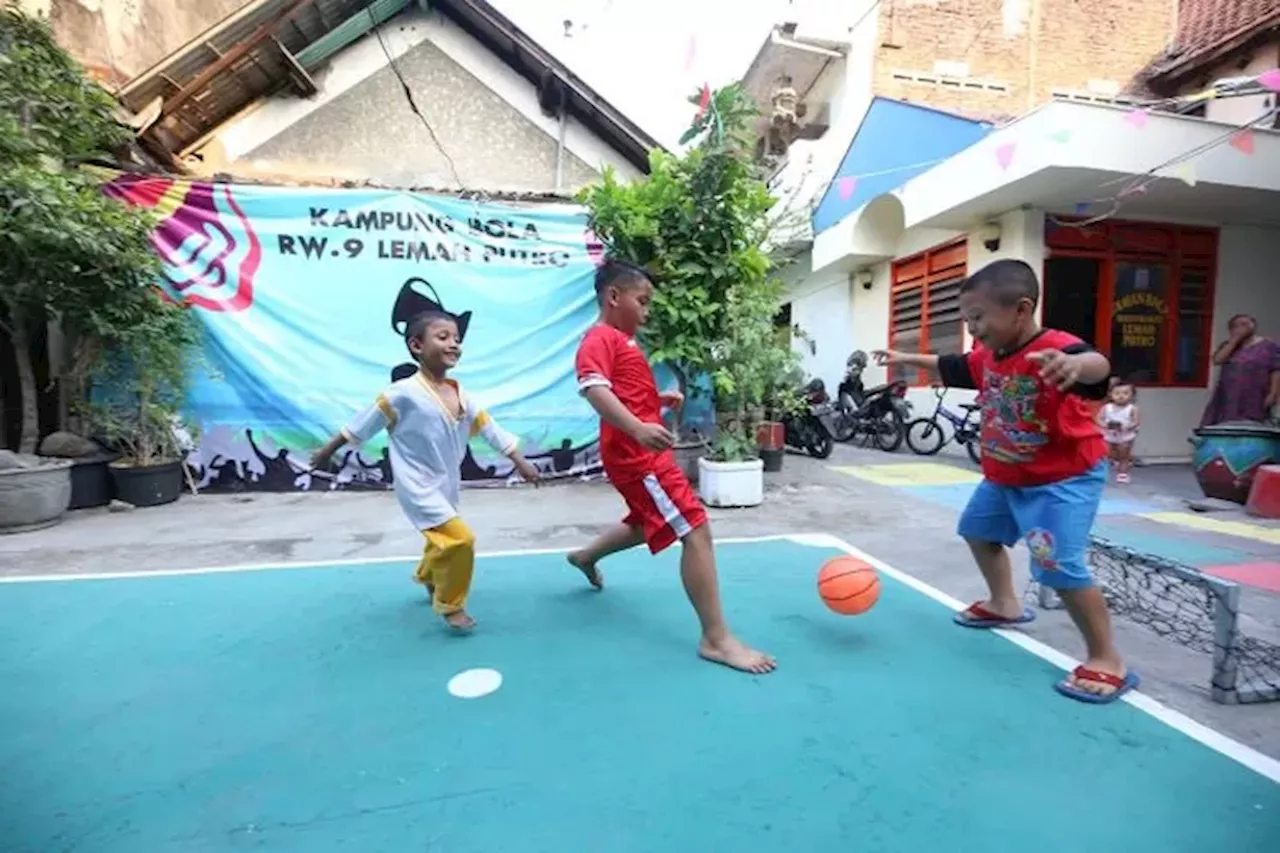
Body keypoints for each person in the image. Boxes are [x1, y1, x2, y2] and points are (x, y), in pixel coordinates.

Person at [873, 258, 1137, 704]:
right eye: (967, 319)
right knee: (978, 531)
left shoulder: (1055, 350)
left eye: (978, 318)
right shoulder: (988, 356)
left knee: (1057, 566)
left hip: (1062, 480)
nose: (973, 328)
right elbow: (951, 364)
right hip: (1005, 476)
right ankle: (1004, 603)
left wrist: (1079, 369)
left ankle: (1106, 658)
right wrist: (903, 358)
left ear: (1021, 309)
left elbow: (1095, 365)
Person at [567, 259, 776, 675]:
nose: (646, 312)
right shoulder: (600, 338)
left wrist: (659, 402)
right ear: (613, 297)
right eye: (642, 302)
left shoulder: (621, 341)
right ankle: (715, 638)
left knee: (649, 521)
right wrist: (638, 429)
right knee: (695, 527)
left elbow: (624, 393)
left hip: (637, 451)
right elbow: (593, 389)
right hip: (637, 456)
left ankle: (585, 556)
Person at [311, 310, 541, 632]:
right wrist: (325, 452)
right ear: (417, 345)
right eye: (443, 337)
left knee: (441, 537)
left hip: (447, 481)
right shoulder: (401, 393)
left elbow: (491, 430)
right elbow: (360, 425)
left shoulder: (462, 394)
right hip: (416, 484)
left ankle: (427, 575)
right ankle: (450, 604)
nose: (453, 345)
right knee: (461, 540)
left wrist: (521, 462)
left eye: (457, 339)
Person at [1200, 314, 1280, 427]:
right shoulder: (1228, 346)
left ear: (1253, 326)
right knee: (1225, 425)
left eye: (1245, 324)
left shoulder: (1269, 346)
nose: (1242, 328)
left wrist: (1273, 393)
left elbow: (1276, 369)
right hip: (1229, 395)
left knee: (1252, 426)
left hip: (1256, 395)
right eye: (1237, 325)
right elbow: (1217, 360)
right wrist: (1234, 341)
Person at [1098, 379, 1140, 484]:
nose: (1121, 396)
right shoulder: (1106, 407)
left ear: (1132, 395)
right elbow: (1099, 419)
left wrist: (1127, 426)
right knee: (1105, 454)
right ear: (1111, 394)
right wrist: (1105, 425)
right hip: (1109, 434)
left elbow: (1136, 421)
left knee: (1124, 455)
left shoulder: (1132, 408)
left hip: (1125, 435)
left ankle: (1122, 473)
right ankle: (1104, 470)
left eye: (1125, 393)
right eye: (1117, 393)